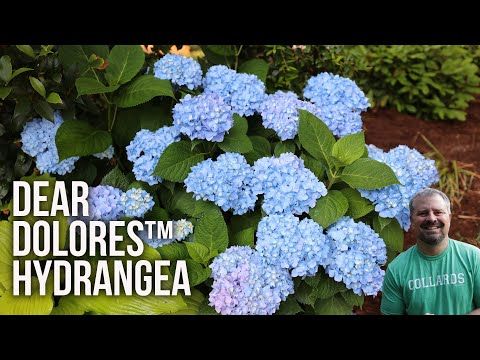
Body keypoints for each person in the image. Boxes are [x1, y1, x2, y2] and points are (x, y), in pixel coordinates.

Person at [381, 188, 480, 315]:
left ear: (449, 217)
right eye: (423, 213)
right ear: (411, 220)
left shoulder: (473, 257)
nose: (432, 218)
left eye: (438, 212)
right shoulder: (397, 269)